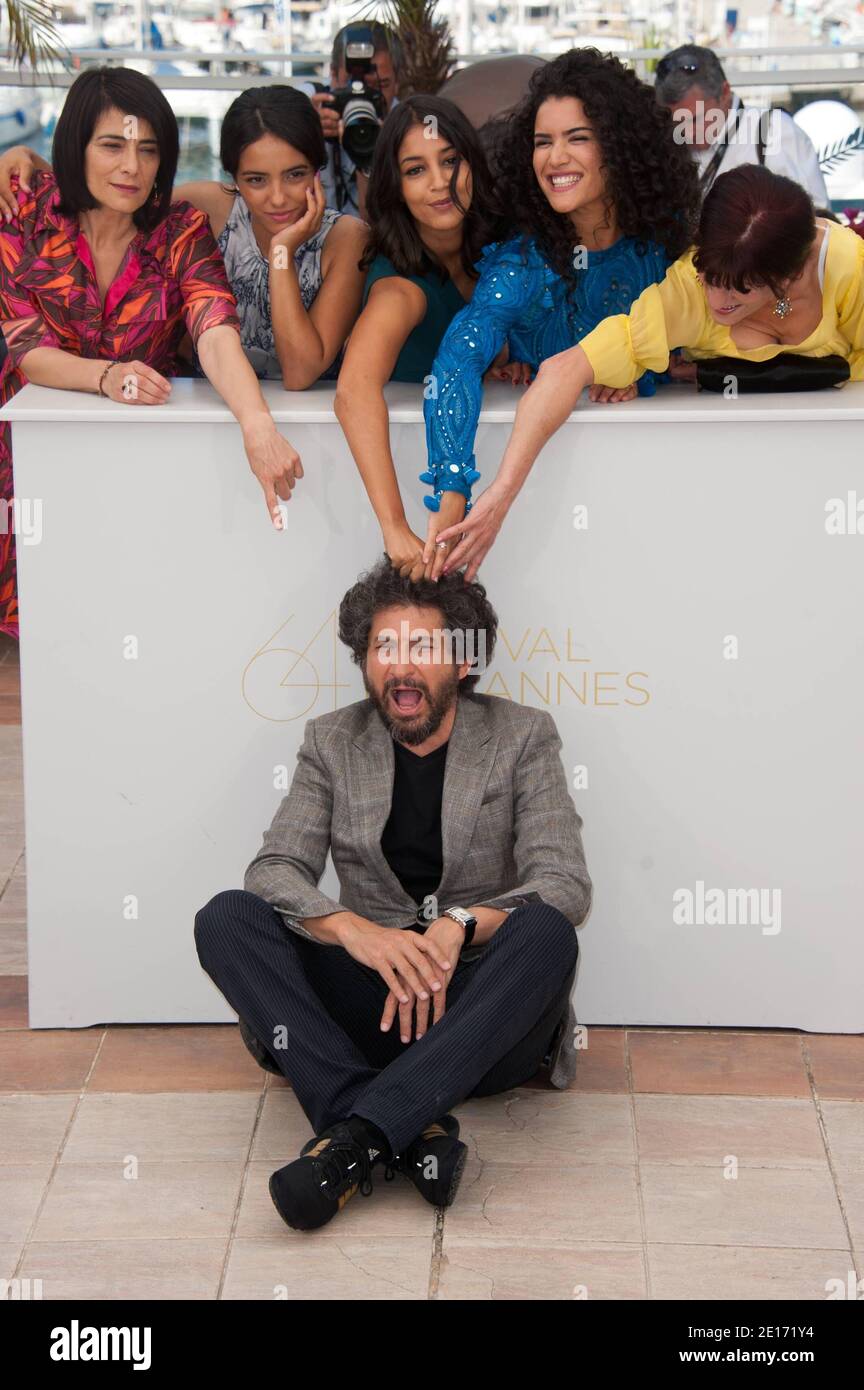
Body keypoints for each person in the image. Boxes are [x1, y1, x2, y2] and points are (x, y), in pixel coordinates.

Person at [194, 557, 591, 1232]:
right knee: (226, 918)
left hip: (475, 1015)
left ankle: (353, 1140)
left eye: (421, 647)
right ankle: (402, 1129)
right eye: (383, 647)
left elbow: (564, 881)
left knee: (548, 933)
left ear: (463, 663)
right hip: (367, 1005)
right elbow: (276, 869)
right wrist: (355, 931)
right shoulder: (333, 740)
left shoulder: (522, 735)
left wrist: (461, 925)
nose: (399, 667)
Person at [432, 164, 864, 581]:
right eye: (708, 274)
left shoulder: (846, 266)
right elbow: (564, 370)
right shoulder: (684, 294)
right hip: (719, 496)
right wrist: (501, 494)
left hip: (826, 478)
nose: (716, 298)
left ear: (786, 278)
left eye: (740, 286)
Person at [0, 67, 300, 641]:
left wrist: (257, 424)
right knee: (48, 632)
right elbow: (27, 349)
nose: (131, 168)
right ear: (76, 147)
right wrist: (107, 376)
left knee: (136, 615)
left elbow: (214, 327)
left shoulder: (180, 229)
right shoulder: (25, 218)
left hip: (140, 454)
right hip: (37, 453)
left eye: (148, 150)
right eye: (111, 146)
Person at [419, 47, 701, 579]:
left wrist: (643, 375)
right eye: (543, 142)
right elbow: (457, 357)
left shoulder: (666, 251)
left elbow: (718, 335)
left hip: (655, 517)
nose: (554, 158)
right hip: (545, 545)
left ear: (617, 148)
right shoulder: (525, 263)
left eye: (577, 138)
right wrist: (452, 488)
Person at [0, 85, 368, 387]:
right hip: (199, 404)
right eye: (255, 179)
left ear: (318, 169)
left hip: (310, 422)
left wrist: (282, 251)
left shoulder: (345, 238)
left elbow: (300, 372)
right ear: (233, 178)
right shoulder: (210, 207)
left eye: (295, 175)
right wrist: (29, 159)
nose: (277, 197)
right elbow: (113, 198)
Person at [335, 95, 513, 586]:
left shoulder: (503, 243)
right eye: (416, 170)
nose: (439, 183)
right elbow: (353, 392)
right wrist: (394, 527)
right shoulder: (400, 290)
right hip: (427, 480)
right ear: (395, 188)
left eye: (451, 160)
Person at [654, 43, 829, 206]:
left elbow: (820, 221)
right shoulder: (663, 141)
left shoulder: (773, 131)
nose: (685, 132)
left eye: (694, 120)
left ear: (724, 93)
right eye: (675, 122)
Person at [306, 21, 402, 220]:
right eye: (354, 84)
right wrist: (303, 124)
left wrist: (381, 152)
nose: (364, 96)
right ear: (333, 75)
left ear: (398, 82)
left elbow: (381, 226)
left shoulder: (405, 124)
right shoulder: (315, 103)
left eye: (380, 85)